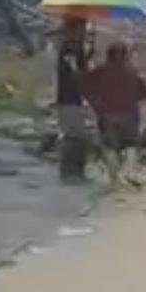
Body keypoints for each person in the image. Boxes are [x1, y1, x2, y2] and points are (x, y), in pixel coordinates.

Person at [82, 42, 146, 188]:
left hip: (106, 114)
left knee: (110, 147)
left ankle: (114, 179)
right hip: (129, 115)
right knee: (131, 145)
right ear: (124, 57)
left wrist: (94, 103)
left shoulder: (99, 72)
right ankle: (130, 173)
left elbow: (84, 86)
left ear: (108, 56)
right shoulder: (131, 73)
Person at [56, 17, 91, 184]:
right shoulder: (69, 50)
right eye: (81, 28)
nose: (83, 32)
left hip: (73, 98)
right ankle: (70, 173)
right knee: (75, 137)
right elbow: (75, 74)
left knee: (78, 137)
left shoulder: (77, 49)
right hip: (68, 98)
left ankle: (74, 172)